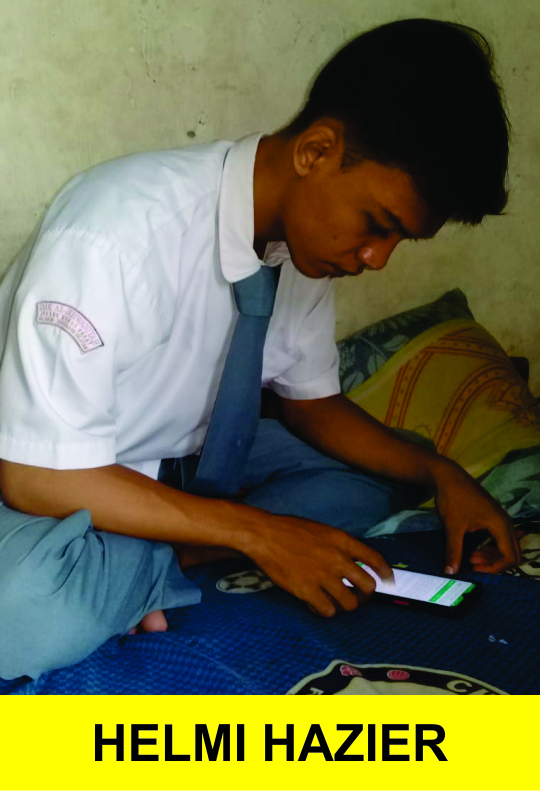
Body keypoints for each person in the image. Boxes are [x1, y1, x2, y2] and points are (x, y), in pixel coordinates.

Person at [0, 18, 519, 680]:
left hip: (183, 464)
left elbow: (312, 405)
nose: (376, 259)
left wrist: (441, 473)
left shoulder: (301, 251)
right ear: (317, 151)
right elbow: (34, 475)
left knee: (380, 478)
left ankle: (141, 559)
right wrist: (256, 533)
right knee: (20, 609)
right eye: (376, 225)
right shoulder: (115, 232)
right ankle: (157, 555)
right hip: (52, 475)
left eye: (399, 241)